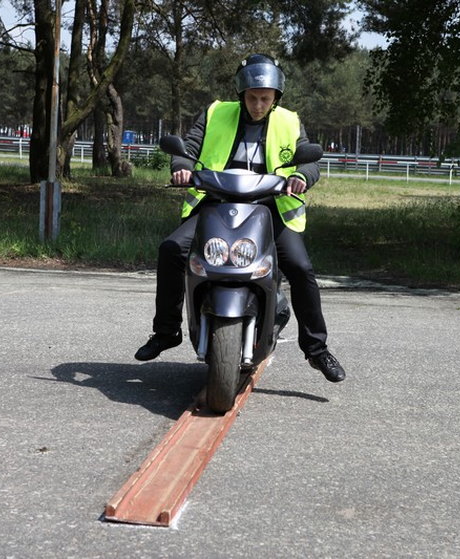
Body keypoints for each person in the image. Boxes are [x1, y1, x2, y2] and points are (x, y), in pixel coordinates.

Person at [134, 53, 345, 383]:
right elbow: (187, 149)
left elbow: (310, 160)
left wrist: (302, 177)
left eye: (265, 98)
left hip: (271, 207)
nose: (258, 105)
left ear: (276, 97)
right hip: (215, 201)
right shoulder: (216, 113)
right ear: (241, 95)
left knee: (301, 268)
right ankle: (166, 331)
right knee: (172, 249)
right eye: (252, 98)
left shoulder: (290, 121)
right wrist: (181, 169)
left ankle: (316, 349)